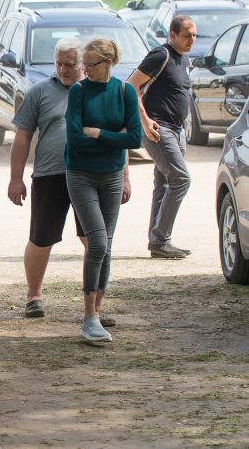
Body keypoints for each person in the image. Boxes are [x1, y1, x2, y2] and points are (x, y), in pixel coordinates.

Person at [65, 38, 141, 344]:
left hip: (111, 175)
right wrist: (114, 137)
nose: (84, 69)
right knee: (96, 242)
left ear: (108, 63)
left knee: (106, 244)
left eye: (90, 64)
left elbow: (135, 139)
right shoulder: (78, 91)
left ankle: (97, 309)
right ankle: (88, 317)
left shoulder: (125, 92)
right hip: (80, 174)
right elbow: (74, 139)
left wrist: (98, 133)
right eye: (83, 63)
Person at [8, 37, 89, 319]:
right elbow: (22, 137)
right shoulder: (39, 91)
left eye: (70, 64)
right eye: (59, 64)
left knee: (93, 239)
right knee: (41, 238)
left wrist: (124, 177)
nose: (64, 69)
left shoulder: (94, 91)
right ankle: (34, 296)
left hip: (88, 176)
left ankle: (93, 304)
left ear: (82, 63)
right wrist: (15, 178)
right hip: (49, 174)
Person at [127, 14, 196, 260]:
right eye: (187, 35)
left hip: (177, 131)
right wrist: (145, 121)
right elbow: (130, 86)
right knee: (181, 179)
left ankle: (157, 241)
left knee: (164, 183)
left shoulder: (184, 60)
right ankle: (161, 239)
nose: (192, 40)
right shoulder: (160, 55)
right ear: (172, 35)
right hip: (159, 129)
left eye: (194, 35)